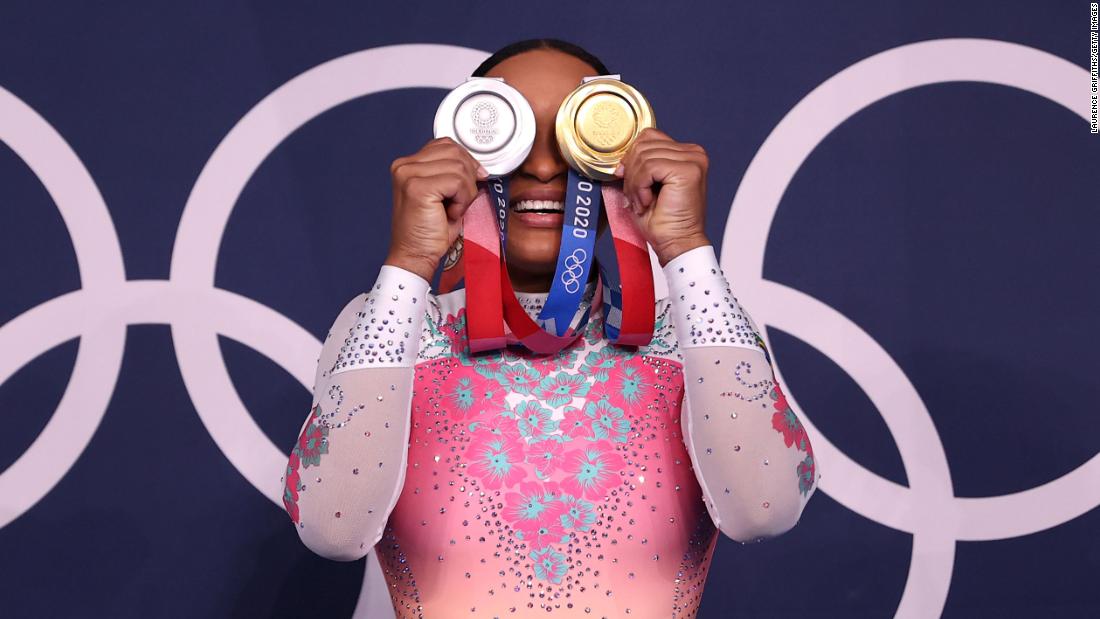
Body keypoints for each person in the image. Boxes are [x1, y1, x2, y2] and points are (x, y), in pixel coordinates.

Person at [281, 38, 819, 619]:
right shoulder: (394, 328)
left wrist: (686, 249)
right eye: (510, 137)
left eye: (573, 139)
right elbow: (332, 528)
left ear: (618, 156)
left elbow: (765, 509)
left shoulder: (689, 335)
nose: (542, 166)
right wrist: (409, 262)